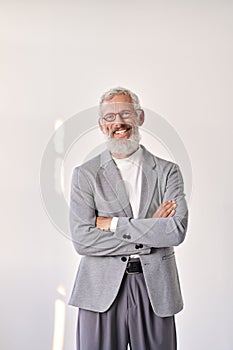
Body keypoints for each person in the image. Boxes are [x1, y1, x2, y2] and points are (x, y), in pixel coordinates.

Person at [68, 87, 189, 350]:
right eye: (110, 117)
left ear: (140, 117)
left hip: (155, 287)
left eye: (125, 113)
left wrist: (112, 224)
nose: (118, 122)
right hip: (99, 289)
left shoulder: (168, 172)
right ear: (102, 125)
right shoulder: (85, 175)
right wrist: (151, 230)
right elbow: (83, 240)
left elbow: (176, 230)